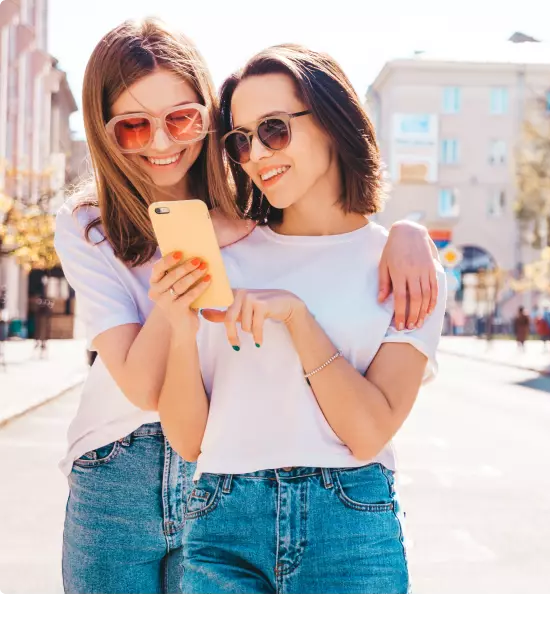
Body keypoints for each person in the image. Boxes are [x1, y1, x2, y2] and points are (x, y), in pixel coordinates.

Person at [54, 19, 439, 598]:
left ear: (208, 119)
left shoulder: (253, 204)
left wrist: (409, 233)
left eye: (181, 118)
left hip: (221, 468)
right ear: (105, 133)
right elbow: (141, 384)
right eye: (133, 127)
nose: (161, 143)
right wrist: (184, 280)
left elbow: (330, 235)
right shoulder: (89, 226)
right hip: (120, 463)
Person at [155, 44, 447, 596]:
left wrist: (297, 317)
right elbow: (191, 441)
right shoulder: (220, 257)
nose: (256, 154)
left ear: (334, 123)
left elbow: (366, 433)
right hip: (221, 525)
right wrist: (177, 327)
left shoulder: (404, 267)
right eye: (240, 141)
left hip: (349, 527)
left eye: (274, 129)